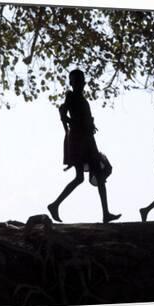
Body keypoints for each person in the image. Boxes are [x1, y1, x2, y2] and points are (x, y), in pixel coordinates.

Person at [47, 69, 121, 224]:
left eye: (81, 79)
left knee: (98, 175)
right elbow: (63, 114)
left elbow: (84, 118)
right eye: (76, 80)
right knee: (81, 177)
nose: (80, 83)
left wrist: (88, 125)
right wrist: (70, 127)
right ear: (72, 82)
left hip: (88, 139)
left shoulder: (83, 99)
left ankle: (105, 213)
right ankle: (55, 205)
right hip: (78, 140)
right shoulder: (71, 96)